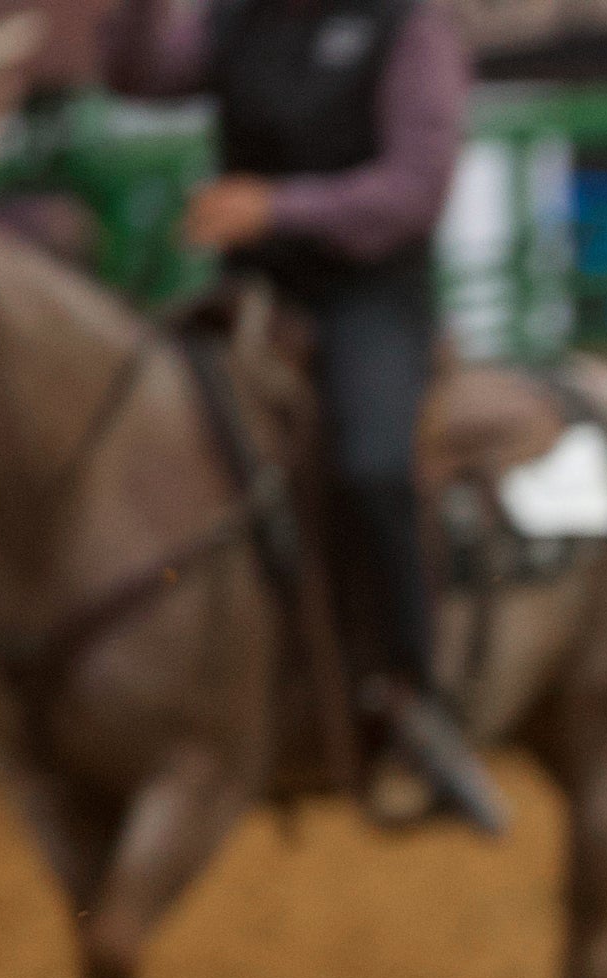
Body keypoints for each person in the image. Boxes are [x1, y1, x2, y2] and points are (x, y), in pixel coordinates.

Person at [103, 0, 504, 833]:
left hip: (368, 302)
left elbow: (413, 190)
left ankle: (412, 697)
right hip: (248, 297)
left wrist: (277, 208)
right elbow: (138, 76)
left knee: (372, 466)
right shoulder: (236, 19)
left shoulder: (408, 28)